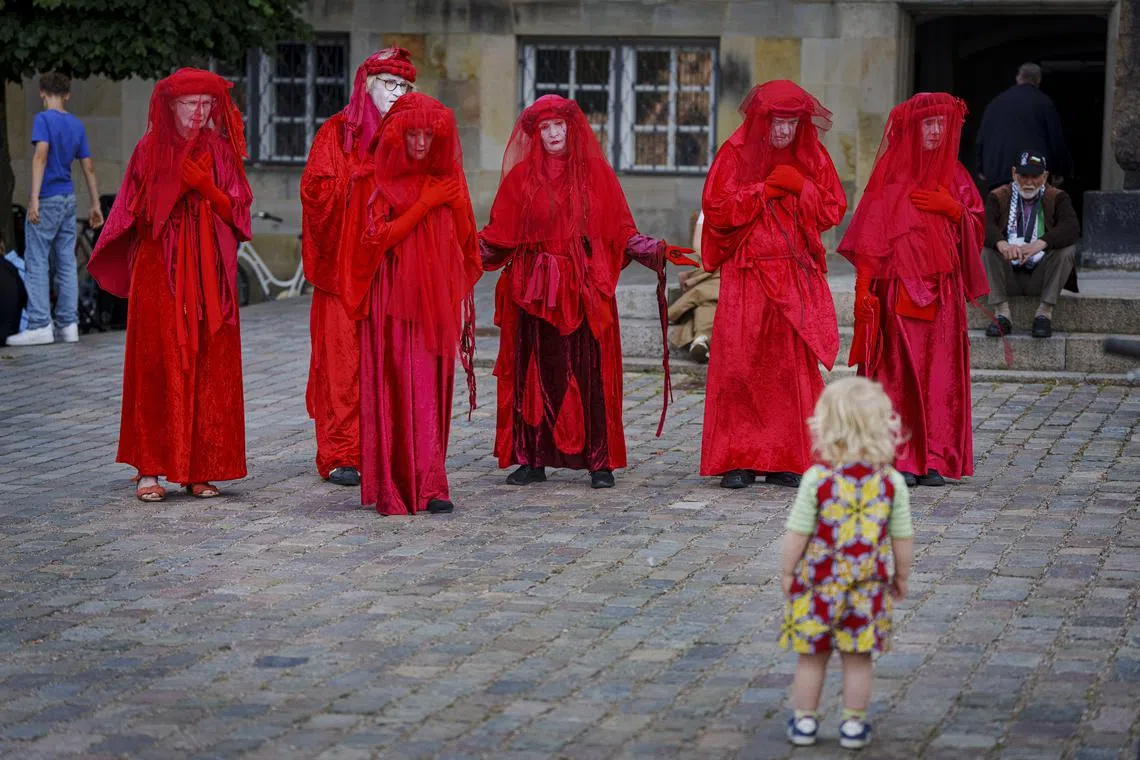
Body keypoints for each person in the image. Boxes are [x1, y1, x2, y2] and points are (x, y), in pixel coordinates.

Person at [478, 95, 696, 489]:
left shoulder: (595, 174)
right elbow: (498, 236)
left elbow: (621, 231)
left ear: (571, 128)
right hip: (534, 291)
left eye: (558, 125)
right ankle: (532, 457)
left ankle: (600, 461)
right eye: (545, 128)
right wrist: (453, 251)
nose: (553, 133)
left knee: (590, 372)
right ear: (536, 134)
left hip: (583, 289)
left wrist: (655, 251)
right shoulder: (521, 179)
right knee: (534, 373)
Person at [88, 68, 252, 502]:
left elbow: (238, 210)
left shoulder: (220, 150)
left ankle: (200, 466)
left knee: (207, 361)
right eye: (189, 104)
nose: (199, 113)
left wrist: (206, 188)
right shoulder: (149, 151)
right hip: (160, 272)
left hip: (209, 273)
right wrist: (175, 187)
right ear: (170, 106)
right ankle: (150, 468)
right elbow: (132, 216)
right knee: (157, 362)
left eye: (206, 104)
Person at [339, 93, 481, 515]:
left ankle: (432, 481)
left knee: (433, 385)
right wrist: (424, 204)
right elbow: (375, 241)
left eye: (428, 135)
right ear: (399, 137)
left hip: (433, 299)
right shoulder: (377, 179)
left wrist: (452, 205)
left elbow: (465, 241)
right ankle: (396, 482)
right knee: (398, 381)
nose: (421, 143)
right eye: (413, 135)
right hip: (393, 298)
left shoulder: (449, 178)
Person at [700, 80, 846, 490]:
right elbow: (716, 206)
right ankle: (739, 458)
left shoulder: (812, 156)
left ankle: (787, 456)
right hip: (747, 274)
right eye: (777, 122)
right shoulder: (734, 153)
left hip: (793, 272)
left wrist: (803, 189)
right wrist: (762, 190)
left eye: (791, 123)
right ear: (762, 121)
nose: (783, 131)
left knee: (787, 368)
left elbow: (833, 206)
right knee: (741, 364)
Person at [838, 92, 987, 488]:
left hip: (942, 295)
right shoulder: (893, 177)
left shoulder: (956, 177)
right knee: (898, 374)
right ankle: (899, 455)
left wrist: (955, 210)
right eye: (928, 124)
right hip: (897, 291)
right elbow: (870, 238)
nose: (936, 131)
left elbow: (975, 222)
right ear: (913, 129)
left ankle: (934, 455)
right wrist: (863, 290)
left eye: (941, 123)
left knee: (940, 377)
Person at [301, 47, 417, 487]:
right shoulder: (337, 132)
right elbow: (315, 192)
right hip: (343, 269)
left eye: (404, 85)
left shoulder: (412, 132)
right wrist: (362, 179)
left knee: (386, 360)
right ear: (367, 84)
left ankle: (383, 448)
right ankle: (341, 452)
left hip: (391, 268)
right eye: (389, 82)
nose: (397, 92)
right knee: (343, 363)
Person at [779, 376, 913, 750]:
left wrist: (788, 571)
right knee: (858, 658)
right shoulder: (891, 483)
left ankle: (805, 721)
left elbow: (797, 532)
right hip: (868, 584)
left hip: (818, 582)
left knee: (812, 656)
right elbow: (902, 536)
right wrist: (901, 575)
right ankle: (853, 725)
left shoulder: (817, 480)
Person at [7, 72, 104, 347]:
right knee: (65, 262)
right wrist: (95, 203)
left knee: (37, 260)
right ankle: (68, 324)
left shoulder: (43, 120)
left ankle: (39, 324)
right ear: (68, 95)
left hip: (48, 197)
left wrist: (34, 198)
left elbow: (41, 155)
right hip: (68, 199)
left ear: (41, 93)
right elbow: (88, 166)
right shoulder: (76, 125)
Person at [982, 150, 1079, 338]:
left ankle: (1044, 314)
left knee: (1067, 250)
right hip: (1007, 276)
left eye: (1034, 176)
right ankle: (1002, 314)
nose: (1028, 182)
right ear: (1013, 174)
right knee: (987, 249)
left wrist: (1041, 244)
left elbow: (1072, 228)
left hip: (1040, 277)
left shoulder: (1057, 197)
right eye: (1023, 176)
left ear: (1044, 177)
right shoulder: (998, 196)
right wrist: (1002, 244)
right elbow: (983, 225)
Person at [976, 63, 1069, 190]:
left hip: (999, 173)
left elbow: (983, 136)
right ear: (1038, 80)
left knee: (1002, 207)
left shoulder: (997, 102)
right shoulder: (1044, 103)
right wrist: (1059, 170)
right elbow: (1055, 139)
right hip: (1032, 173)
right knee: (1032, 208)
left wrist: (981, 166)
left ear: (1018, 78)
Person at [668, 210, 719, 363]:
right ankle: (701, 339)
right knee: (713, 291)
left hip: (738, 264)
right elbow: (698, 246)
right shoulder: (711, 205)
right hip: (712, 265)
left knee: (709, 296)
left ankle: (701, 338)